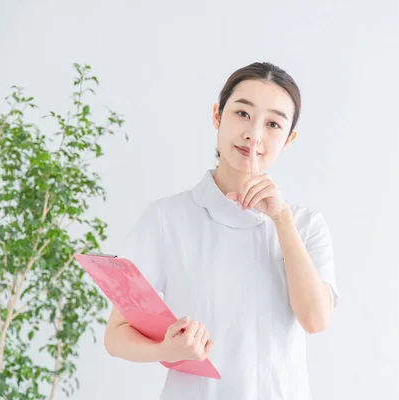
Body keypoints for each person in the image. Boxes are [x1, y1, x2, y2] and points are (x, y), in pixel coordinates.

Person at [103, 61, 339, 399]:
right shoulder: (166, 219)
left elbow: (315, 319)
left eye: (273, 124)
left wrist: (282, 219)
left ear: (289, 139)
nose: (253, 134)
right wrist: (164, 351)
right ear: (217, 115)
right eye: (242, 114)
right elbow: (116, 334)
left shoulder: (305, 224)